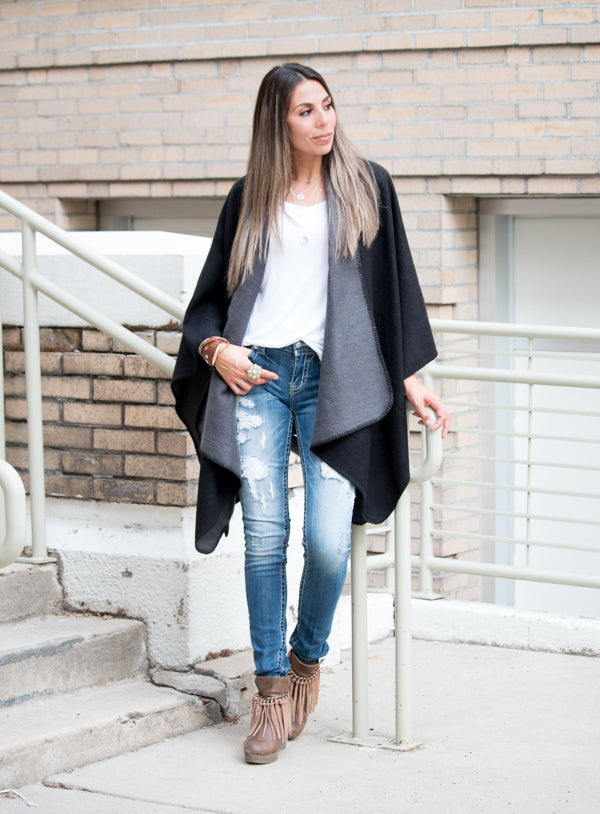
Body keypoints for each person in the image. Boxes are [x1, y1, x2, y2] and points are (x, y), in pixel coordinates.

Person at [172, 63, 450, 764]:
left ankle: (305, 659)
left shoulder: (366, 185)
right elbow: (212, 298)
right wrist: (217, 351)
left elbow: (392, 290)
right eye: (306, 111)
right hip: (257, 378)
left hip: (335, 381)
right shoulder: (249, 199)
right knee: (265, 537)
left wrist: (410, 378)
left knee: (328, 542)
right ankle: (269, 693)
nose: (323, 120)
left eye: (327, 105)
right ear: (279, 122)